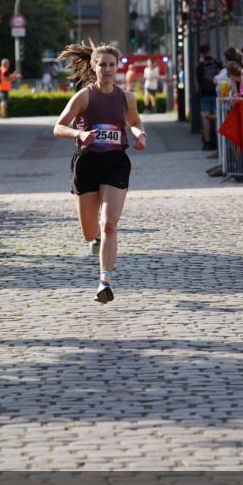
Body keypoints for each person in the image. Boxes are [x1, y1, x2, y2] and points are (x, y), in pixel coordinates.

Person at [53, 41, 146, 305]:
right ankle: (94, 239)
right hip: (87, 163)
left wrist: (140, 134)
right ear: (93, 67)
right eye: (101, 64)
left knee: (109, 223)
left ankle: (104, 281)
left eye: (111, 65)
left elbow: (135, 121)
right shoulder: (84, 96)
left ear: (117, 68)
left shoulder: (127, 97)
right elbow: (58, 127)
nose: (106, 69)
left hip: (116, 161)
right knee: (89, 231)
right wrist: (79, 133)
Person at [196, 44, 221, 150]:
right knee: (217, 117)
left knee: (206, 118)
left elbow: (198, 81)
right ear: (210, 52)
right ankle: (218, 140)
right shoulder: (217, 63)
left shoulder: (200, 66)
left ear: (201, 54)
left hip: (205, 94)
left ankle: (207, 142)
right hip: (215, 93)